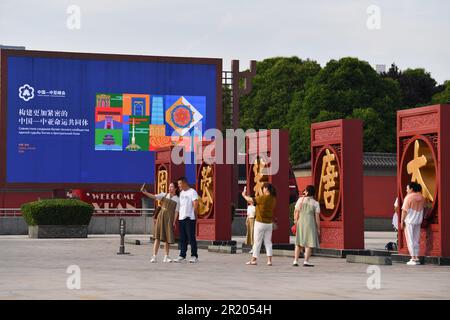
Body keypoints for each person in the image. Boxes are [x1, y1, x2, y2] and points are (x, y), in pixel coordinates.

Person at [141, 182, 180, 263]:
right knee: (157, 237)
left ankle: (166, 256)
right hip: (161, 217)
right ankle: (154, 256)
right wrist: (145, 192)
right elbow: (154, 196)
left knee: (167, 239)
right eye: (169, 186)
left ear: (176, 188)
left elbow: (176, 212)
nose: (170, 188)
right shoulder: (164, 195)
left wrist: (173, 222)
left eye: (172, 187)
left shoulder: (177, 199)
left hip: (169, 219)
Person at [241, 183, 277, 266]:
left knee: (257, 242)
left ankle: (253, 260)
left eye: (263, 188)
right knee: (268, 242)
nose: (262, 190)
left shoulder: (263, 198)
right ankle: (269, 261)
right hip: (268, 223)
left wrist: (243, 195)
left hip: (260, 222)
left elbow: (250, 200)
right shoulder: (273, 199)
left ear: (266, 188)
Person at [293, 185, 320, 267]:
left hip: (300, 222)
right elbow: (317, 218)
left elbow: (296, 212)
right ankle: (306, 261)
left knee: (298, 242)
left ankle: (295, 261)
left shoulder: (300, 200)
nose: (304, 192)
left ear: (307, 192)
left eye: (305, 190)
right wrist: (318, 228)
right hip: (310, 223)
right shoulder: (315, 203)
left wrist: (295, 221)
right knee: (309, 243)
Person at [174, 177, 199, 263]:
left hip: (189, 218)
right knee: (182, 238)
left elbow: (195, 204)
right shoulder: (181, 193)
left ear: (184, 183)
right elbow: (180, 206)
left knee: (191, 237)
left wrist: (193, 215)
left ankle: (194, 255)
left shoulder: (192, 192)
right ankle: (182, 255)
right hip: (182, 218)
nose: (178, 186)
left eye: (180, 184)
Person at [401, 182, 425, 265]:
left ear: (411, 189)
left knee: (410, 239)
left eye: (407, 188)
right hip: (418, 221)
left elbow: (404, 211)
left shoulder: (408, 198)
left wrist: (401, 222)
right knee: (416, 239)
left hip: (409, 221)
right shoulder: (422, 197)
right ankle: (417, 257)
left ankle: (413, 258)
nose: (406, 190)